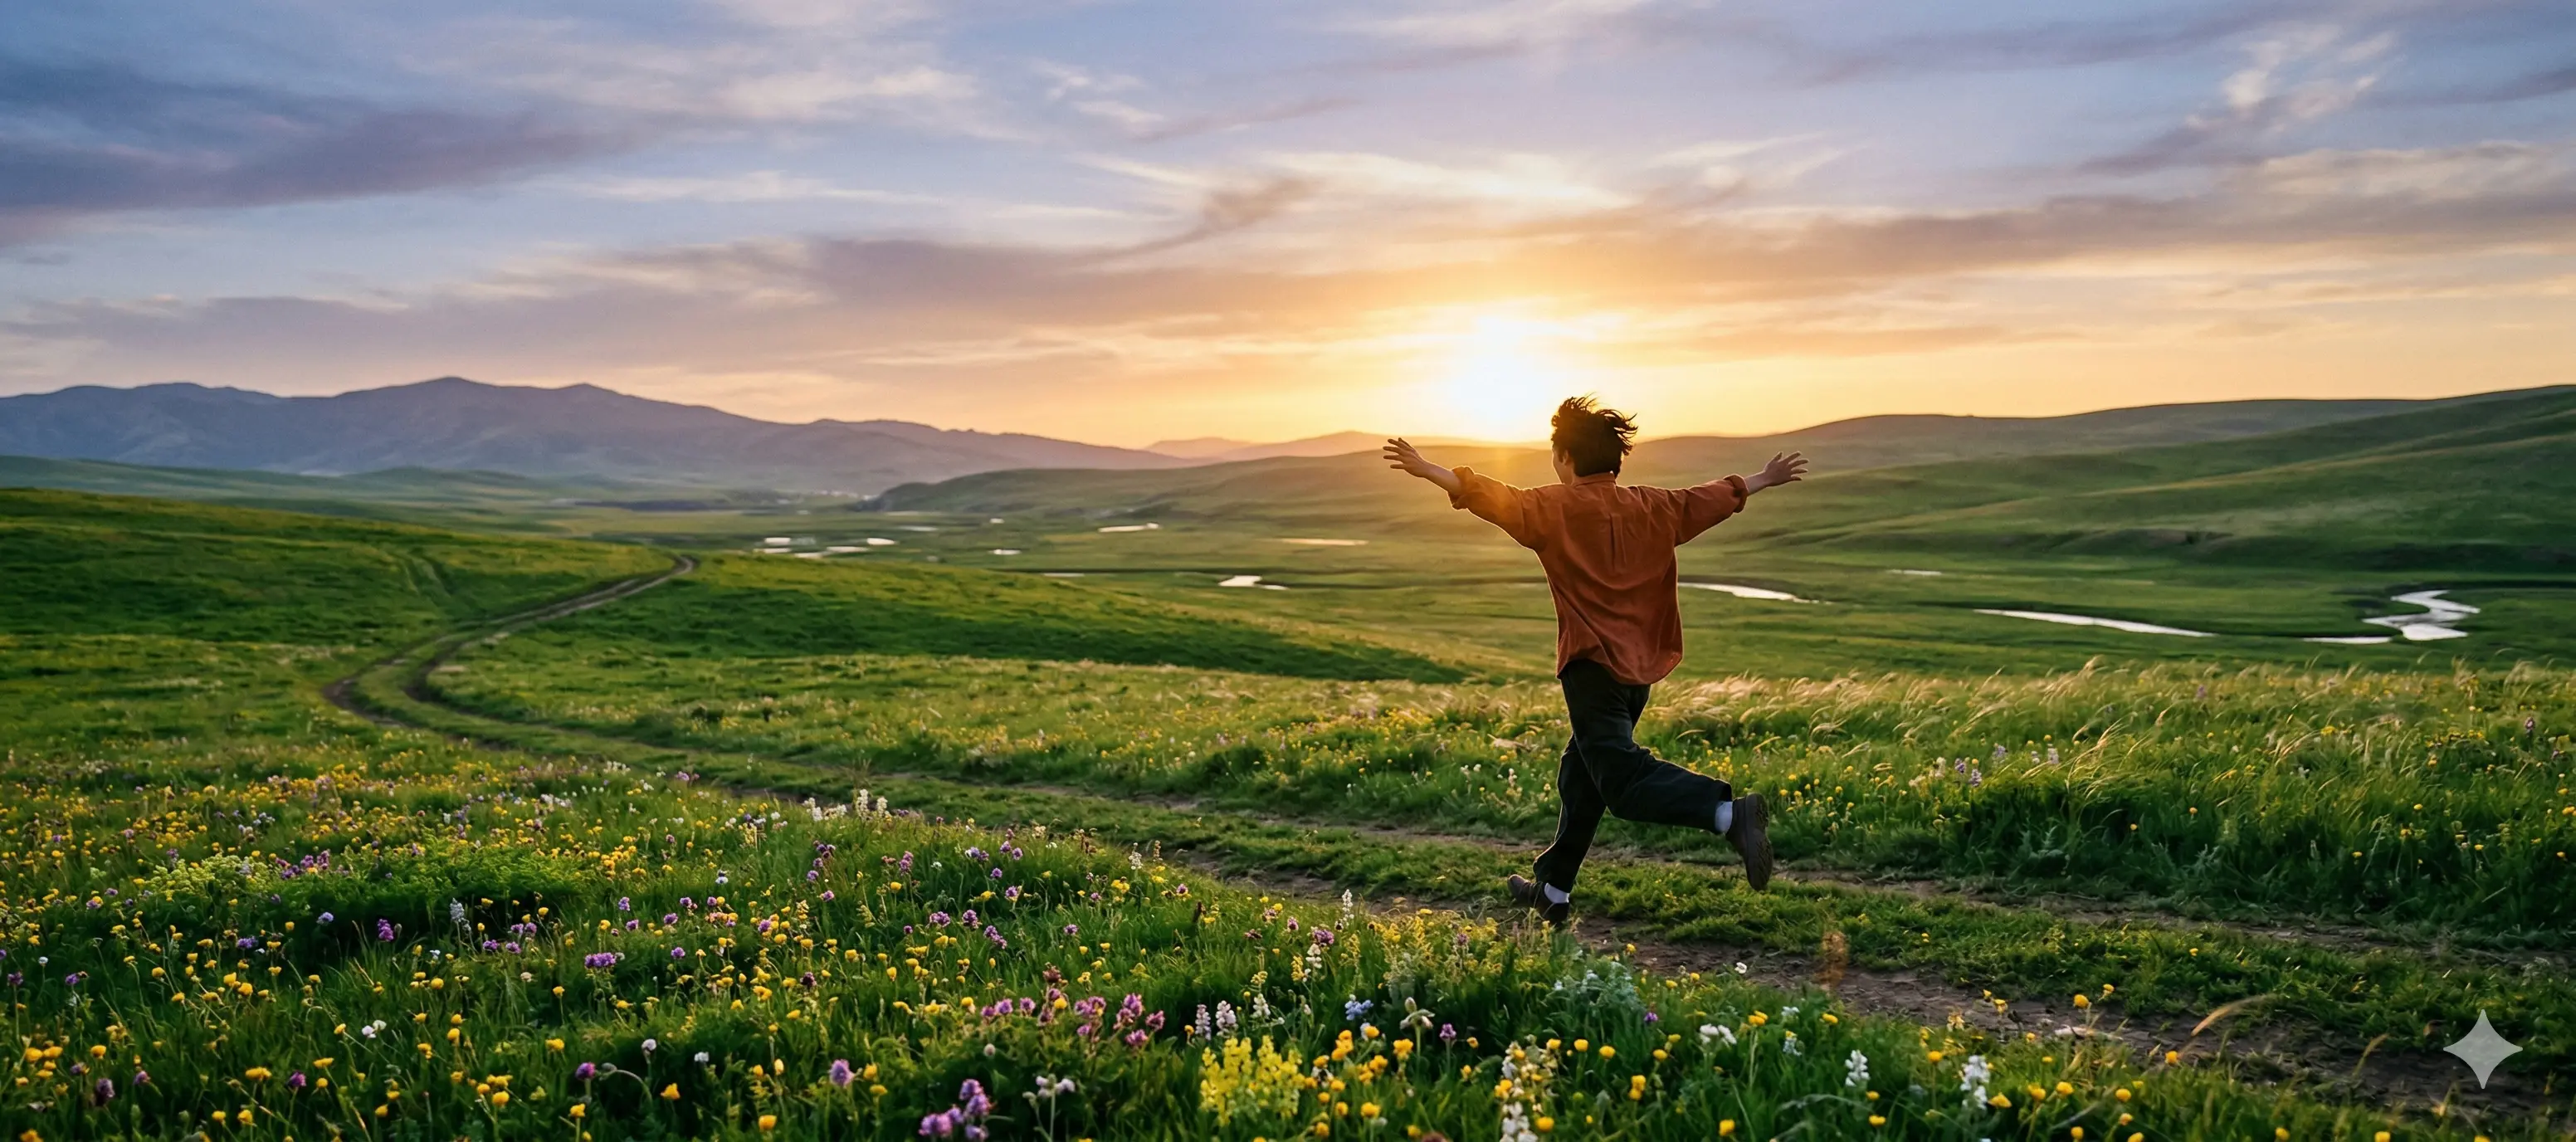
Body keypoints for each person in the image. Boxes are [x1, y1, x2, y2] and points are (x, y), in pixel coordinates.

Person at [1383, 397, 1808, 926]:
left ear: (1563, 457)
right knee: (1580, 776)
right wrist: (1764, 478)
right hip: (1640, 672)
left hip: (1591, 670)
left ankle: (1727, 814)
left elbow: (1489, 496)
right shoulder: (1656, 505)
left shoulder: (1551, 508)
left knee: (1622, 782)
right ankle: (1553, 891)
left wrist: (1430, 471)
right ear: (1616, 460)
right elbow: (1716, 496)